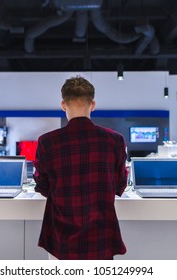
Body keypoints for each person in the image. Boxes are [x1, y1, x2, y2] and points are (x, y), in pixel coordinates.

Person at [33, 76, 128, 260]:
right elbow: (119, 185)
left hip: (62, 240)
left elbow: (43, 187)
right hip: (101, 237)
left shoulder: (47, 142)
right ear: (92, 104)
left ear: (63, 104)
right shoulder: (114, 140)